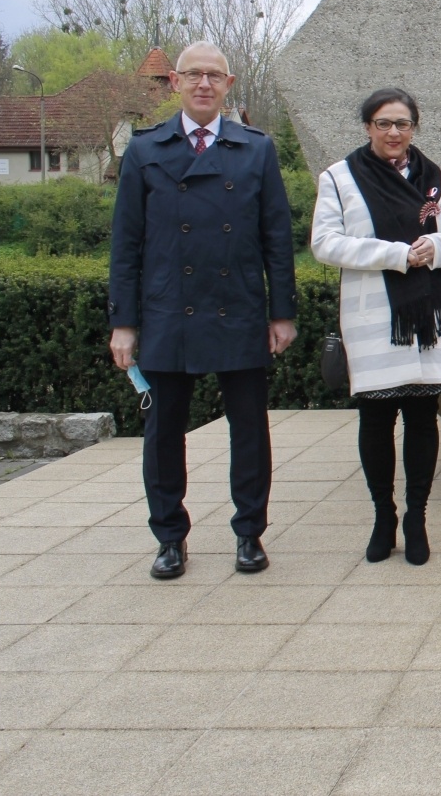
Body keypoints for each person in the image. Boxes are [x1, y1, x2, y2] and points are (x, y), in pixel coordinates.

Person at [108, 42, 298, 580]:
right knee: (164, 433)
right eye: (194, 75)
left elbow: (276, 238)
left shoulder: (255, 148)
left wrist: (281, 312)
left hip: (238, 306)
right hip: (169, 309)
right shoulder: (145, 150)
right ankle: (170, 537)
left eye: (215, 76)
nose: (204, 84)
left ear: (230, 85)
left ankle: (249, 534)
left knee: (250, 431)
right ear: (174, 82)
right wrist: (124, 323)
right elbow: (126, 243)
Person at [310, 88, 441, 564]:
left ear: (414, 128)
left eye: (402, 124)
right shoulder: (339, 178)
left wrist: (434, 249)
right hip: (372, 315)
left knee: (422, 418)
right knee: (377, 420)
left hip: (427, 317)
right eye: (384, 124)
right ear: (367, 127)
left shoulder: (433, 177)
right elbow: (325, 243)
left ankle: (417, 518)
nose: (394, 133)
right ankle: (384, 515)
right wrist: (396, 254)